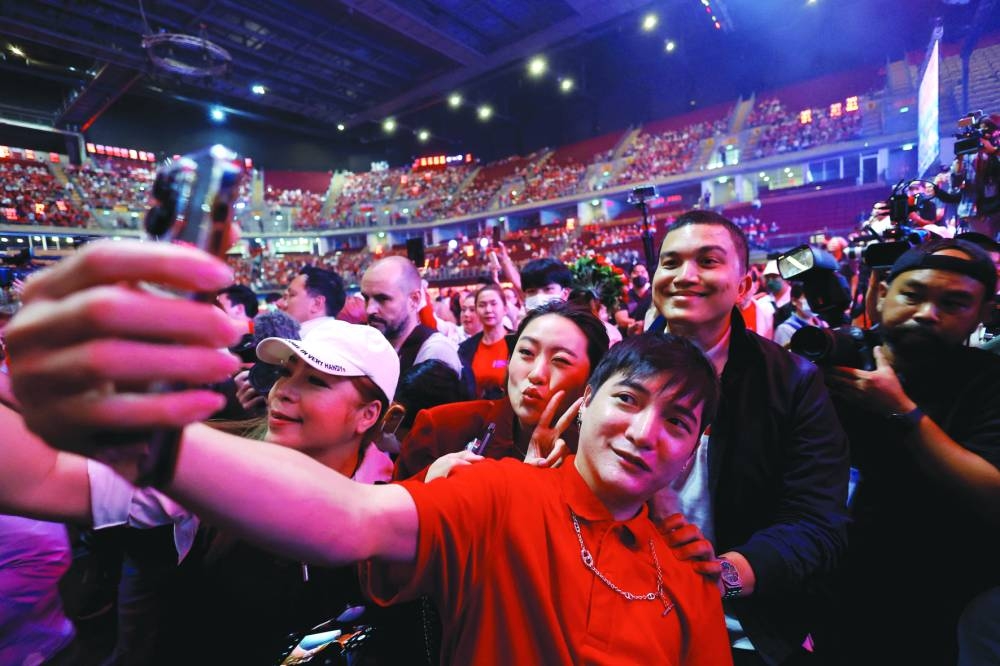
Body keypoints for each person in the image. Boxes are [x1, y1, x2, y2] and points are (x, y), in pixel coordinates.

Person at [3, 243, 733, 663]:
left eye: (679, 422)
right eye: (630, 402)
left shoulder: (685, 565)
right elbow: (351, 520)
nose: (645, 433)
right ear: (593, 406)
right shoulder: (488, 490)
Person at [0, 315, 405, 664]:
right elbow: (44, 476)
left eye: (316, 380)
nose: (284, 390)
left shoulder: (396, 501)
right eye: (286, 372)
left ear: (367, 415)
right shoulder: (212, 463)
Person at [648, 210, 850, 665]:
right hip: (624, 608)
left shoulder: (792, 382)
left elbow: (816, 524)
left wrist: (719, 577)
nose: (685, 276)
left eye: (708, 261)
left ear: (743, 286)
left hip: (744, 629)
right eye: (671, 262)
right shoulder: (618, 370)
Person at [819, 238, 1000, 665]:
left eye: (954, 303)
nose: (927, 314)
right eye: (913, 295)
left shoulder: (988, 383)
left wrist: (899, 409)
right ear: (882, 295)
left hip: (945, 602)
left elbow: (992, 493)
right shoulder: (837, 363)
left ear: (983, 314)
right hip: (839, 591)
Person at [395, 300, 608, 481]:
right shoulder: (442, 428)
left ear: (591, 381)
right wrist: (429, 486)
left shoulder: (601, 458)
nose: (536, 373)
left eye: (560, 360)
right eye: (526, 352)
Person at [360, 255, 462, 376]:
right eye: (366, 298)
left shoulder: (435, 353)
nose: (370, 310)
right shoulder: (366, 349)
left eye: (382, 299)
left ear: (414, 300)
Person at [457, 283, 513, 399]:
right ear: (477, 311)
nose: (488, 310)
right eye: (482, 305)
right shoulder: (465, 348)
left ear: (505, 309)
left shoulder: (518, 341)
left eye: (493, 304)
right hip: (475, 412)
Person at [276, 265, 347, 336]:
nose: (279, 303)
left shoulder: (306, 342)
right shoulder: (349, 334)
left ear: (317, 303)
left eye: (291, 295)